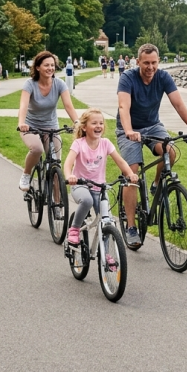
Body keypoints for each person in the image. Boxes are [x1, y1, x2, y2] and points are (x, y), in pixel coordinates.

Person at [117, 44, 187, 248]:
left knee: (170, 152)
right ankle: (131, 227)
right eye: (146, 63)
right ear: (137, 62)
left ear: (159, 62)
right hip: (128, 129)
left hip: (153, 126)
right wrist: (129, 130)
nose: (150, 67)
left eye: (154, 62)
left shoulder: (163, 77)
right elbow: (124, 106)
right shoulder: (127, 78)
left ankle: (156, 184)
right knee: (133, 173)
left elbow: (178, 104)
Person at [64, 108, 137, 265]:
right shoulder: (79, 144)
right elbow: (68, 163)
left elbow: (121, 162)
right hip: (80, 185)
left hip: (99, 188)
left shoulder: (105, 143)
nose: (99, 126)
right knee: (87, 201)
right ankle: (75, 229)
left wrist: (130, 173)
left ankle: (105, 253)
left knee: (106, 221)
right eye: (94, 123)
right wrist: (69, 176)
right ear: (84, 127)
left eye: (101, 123)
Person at [17, 51, 79, 191]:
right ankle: (26, 174)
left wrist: (77, 122)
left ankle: (57, 208)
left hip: (51, 126)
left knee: (55, 163)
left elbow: (68, 105)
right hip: (30, 126)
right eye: (46, 65)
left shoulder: (59, 84)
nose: (50, 68)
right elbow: (23, 106)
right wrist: (21, 123)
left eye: (52, 65)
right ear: (38, 67)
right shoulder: (30, 84)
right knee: (37, 149)